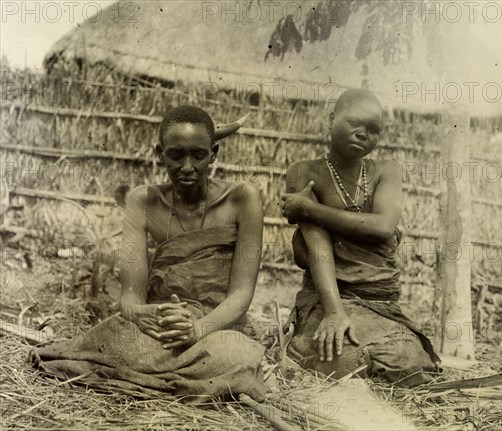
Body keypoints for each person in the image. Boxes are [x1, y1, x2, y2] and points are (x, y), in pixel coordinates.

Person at [30, 106, 266, 402]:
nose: (188, 166)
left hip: (215, 326)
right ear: (160, 153)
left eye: (199, 155)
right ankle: (176, 380)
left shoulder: (243, 198)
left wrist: (197, 329)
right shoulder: (142, 200)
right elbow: (131, 297)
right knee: (108, 340)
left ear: (214, 153)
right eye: (176, 155)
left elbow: (241, 295)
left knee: (237, 356)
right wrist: (141, 314)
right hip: (163, 326)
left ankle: (150, 376)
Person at [281, 89, 440, 385]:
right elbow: (318, 248)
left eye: (373, 129)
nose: (363, 133)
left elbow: (382, 227)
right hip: (328, 298)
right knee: (345, 362)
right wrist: (333, 313)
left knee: (411, 366)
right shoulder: (303, 172)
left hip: (378, 303)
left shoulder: (385, 172)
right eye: (355, 122)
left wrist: (309, 208)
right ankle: (303, 340)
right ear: (332, 119)